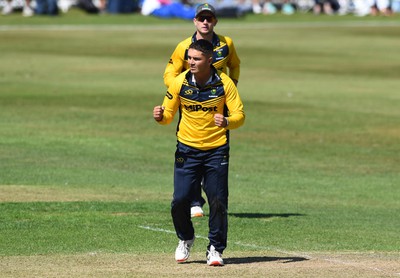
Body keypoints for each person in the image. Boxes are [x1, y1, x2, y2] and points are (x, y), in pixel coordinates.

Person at [153, 39, 245, 266]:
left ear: (209, 60)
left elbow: (239, 116)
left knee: (218, 200)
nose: (191, 63)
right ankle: (185, 237)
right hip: (187, 148)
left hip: (216, 150)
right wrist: (160, 116)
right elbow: (167, 116)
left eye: (196, 59)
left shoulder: (224, 84)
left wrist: (226, 121)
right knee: (180, 200)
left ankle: (215, 248)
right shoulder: (179, 82)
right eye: (189, 58)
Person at [163, 3, 240, 218]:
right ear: (195, 21)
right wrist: (178, 89)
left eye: (209, 18)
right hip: (191, 99)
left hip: (219, 100)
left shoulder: (226, 44)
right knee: (190, 145)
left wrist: (232, 84)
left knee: (217, 145)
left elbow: (235, 64)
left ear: (215, 21)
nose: (205, 22)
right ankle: (195, 200)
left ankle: (213, 193)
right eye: (201, 18)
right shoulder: (184, 46)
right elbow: (170, 71)